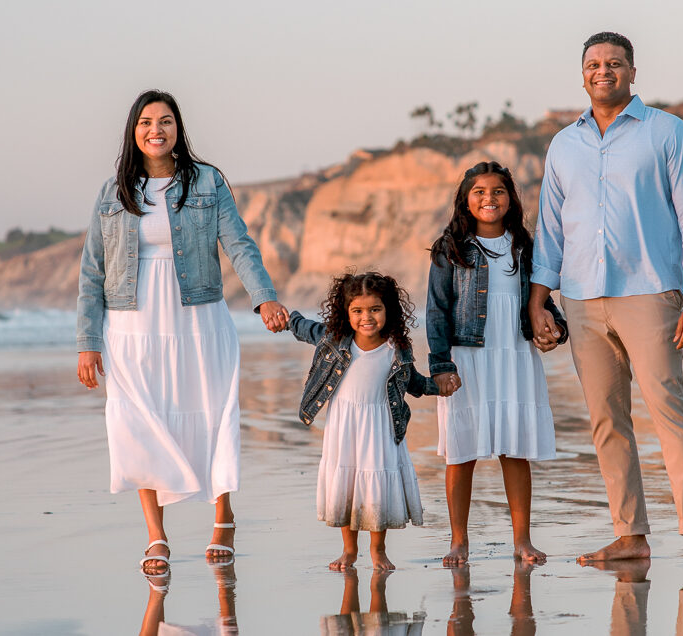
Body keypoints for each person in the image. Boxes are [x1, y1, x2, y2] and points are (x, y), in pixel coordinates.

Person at [528, 32, 683, 567]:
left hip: (650, 293)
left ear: (632, 72)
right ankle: (630, 536)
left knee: (670, 412)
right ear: (583, 73)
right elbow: (550, 229)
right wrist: (538, 299)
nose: (603, 71)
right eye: (593, 63)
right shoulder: (563, 145)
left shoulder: (668, 132)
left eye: (614, 63)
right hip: (582, 299)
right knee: (606, 420)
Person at [76, 89, 289, 575]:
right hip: (130, 325)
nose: (157, 129)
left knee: (213, 413)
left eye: (166, 120)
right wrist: (87, 341)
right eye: (147, 121)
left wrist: (264, 296)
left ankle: (223, 519)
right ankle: (156, 535)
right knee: (136, 421)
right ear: (134, 131)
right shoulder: (113, 192)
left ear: (178, 129)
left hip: (196, 317)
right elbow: (92, 271)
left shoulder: (207, 182)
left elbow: (238, 243)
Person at [427, 161, 568, 567]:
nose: (490, 198)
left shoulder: (524, 247)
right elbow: (437, 310)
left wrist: (555, 328)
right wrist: (440, 365)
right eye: (480, 192)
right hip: (467, 357)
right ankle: (458, 541)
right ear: (466, 201)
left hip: (515, 354)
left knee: (515, 447)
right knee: (461, 450)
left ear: (510, 200)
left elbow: (542, 303)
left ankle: (522, 540)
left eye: (498, 191)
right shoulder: (450, 248)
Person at [288, 272, 439, 570]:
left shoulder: (396, 348)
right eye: (357, 311)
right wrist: (286, 317)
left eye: (375, 309)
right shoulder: (335, 340)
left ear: (388, 311)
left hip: (380, 425)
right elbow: (306, 329)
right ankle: (349, 550)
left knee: (375, 487)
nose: (366, 317)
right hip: (344, 426)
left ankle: (377, 551)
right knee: (347, 482)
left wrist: (439, 386)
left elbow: (413, 382)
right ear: (346, 313)